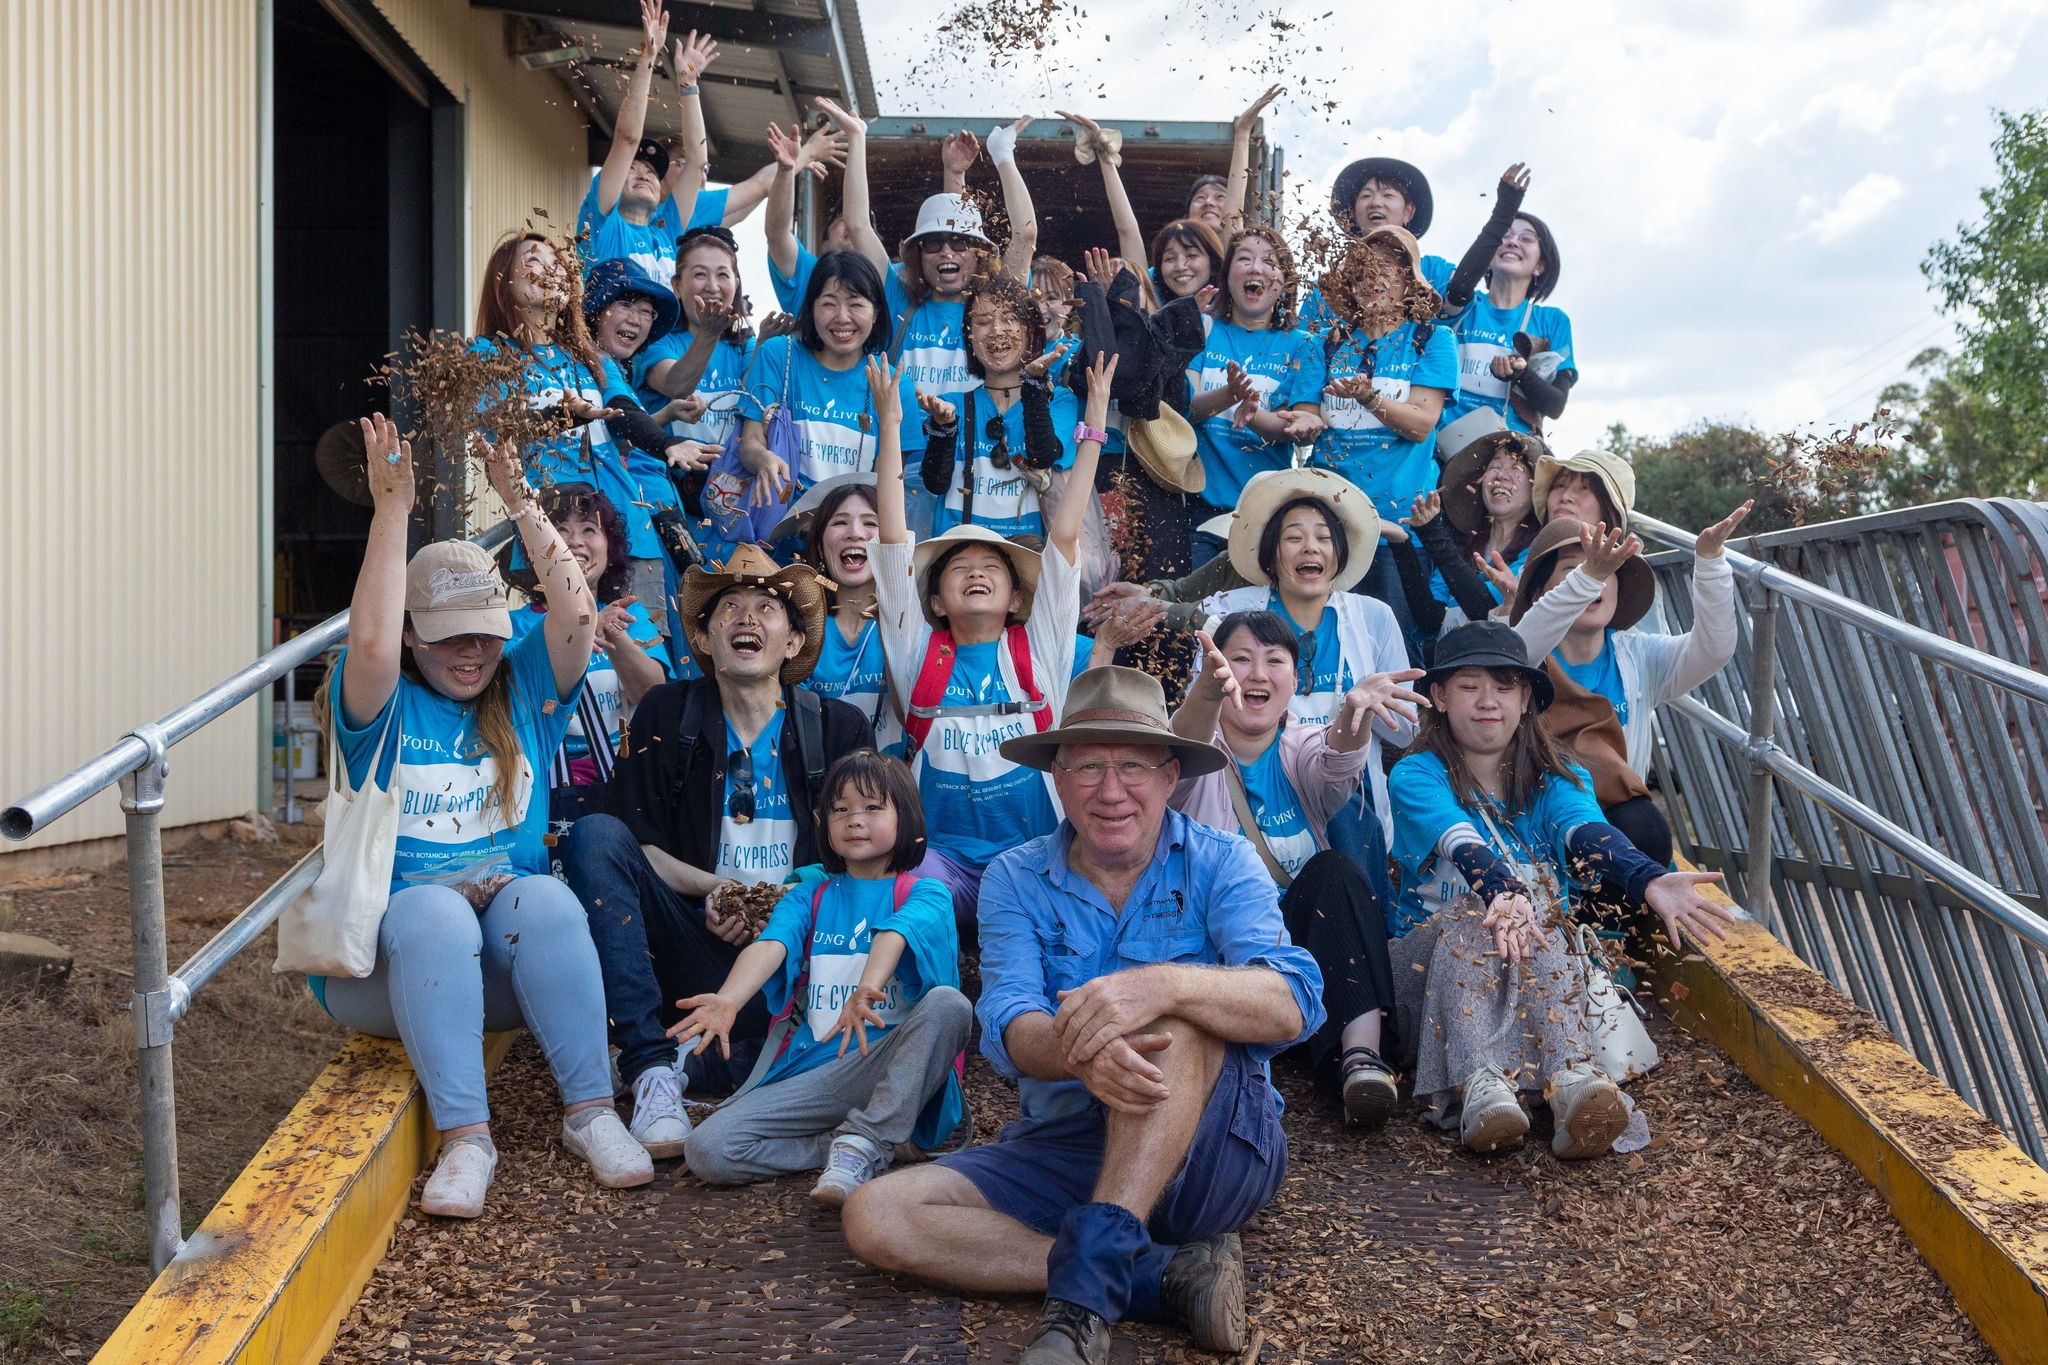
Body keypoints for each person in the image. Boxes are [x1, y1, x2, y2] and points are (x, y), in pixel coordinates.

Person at [841, 666, 1325, 1362]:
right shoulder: (1015, 875)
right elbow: (1011, 1025)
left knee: (1176, 1019)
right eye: (1088, 765)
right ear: (1057, 778)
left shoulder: (1223, 860)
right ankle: (1157, 1277)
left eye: (1132, 764)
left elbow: (1295, 1001)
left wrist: (1160, 986)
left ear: (1168, 774)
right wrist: (1078, 1051)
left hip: (1216, 1151)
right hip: (1072, 1138)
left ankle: (1081, 1307)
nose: (1110, 790)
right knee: (875, 1215)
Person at [312, 416, 651, 1218]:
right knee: (433, 910)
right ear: (410, 637)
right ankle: (467, 1139)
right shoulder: (382, 705)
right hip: (387, 973)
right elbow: (365, 640)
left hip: (500, 969)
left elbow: (573, 613)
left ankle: (592, 1113)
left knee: (548, 897)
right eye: (446, 637)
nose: (470, 652)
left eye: (486, 635)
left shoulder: (521, 692)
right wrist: (391, 510)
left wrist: (520, 499)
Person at [560, 544, 875, 1160]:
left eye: (765, 607)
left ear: (792, 643)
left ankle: (708, 1061)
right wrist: (716, 890)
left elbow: (867, 860)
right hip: (693, 940)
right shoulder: (667, 712)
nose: (745, 618)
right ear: (704, 641)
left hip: (801, 953)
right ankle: (653, 1069)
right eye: (728, 607)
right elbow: (637, 845)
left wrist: (782, 911)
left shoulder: (839, 728)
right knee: (594, 835)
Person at [1387, 621, 1734, 1155]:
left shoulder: (1558, 774)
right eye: (1469, 686)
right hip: (1430, 979)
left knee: (1542, 917)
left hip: (1535, 970)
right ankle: (1486, 1085)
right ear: (1438, 696)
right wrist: (1503, 891)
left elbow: (1586, 830)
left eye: (1504, 687)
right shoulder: (1415, 773)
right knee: (1474, 916)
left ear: (1526, 700)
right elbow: (1461, 843)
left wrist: (1648, 878)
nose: (1488, 702)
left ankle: (1570, 1086)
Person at [867, 349, 1115, 923]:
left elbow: (1066, 533)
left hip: (1039, 863)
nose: (976, 572)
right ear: (933, 600)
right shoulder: (916, 650)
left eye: (992, 567)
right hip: (943, 864)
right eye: (958, 567)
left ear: (1017, 599)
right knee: (911, 895)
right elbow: (893, 537)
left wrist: (1095, 423)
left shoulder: (1040, 648)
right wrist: (890, 425)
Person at [672, 750, 969, 1203]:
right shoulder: (809, 893)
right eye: (840, 809)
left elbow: (895, 932)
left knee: (950, 1005)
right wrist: (729, 999)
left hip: (892, 1059)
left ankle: (867, 1139)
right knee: (708, 1150)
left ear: (906, 816)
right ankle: (851, 1145)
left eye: (872, 807)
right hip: (817, 1070)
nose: (854, 820)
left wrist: (864, 990)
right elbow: (772, 945)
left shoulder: (925, 891)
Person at [1169, 612, 1422, 1127]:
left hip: (1302, 943)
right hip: (1215, 944)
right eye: (1239, 659)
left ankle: (1361, 1061)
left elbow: (1336, 762)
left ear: (1297, 681)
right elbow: (1183, 749)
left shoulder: (1299, 745)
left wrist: (1355, 716)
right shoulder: (1189, 758)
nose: (1256, 672)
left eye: (1274, 660)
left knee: (1337, 871)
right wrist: (1205, 694)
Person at [1507, 506, 1750, 940]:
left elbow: (1713, 650)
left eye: (1605, 568)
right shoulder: (1522, 659)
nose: (1593, 577)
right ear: (1543, 590)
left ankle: (1609, 953)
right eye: (1573, 569)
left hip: (1618, 818)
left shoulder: (1638, 656)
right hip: (1537, 822)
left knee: (1645, 829)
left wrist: (1710, 562)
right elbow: (1520, 644)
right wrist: (1587, 577)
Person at [1309, 226, 1461, 644]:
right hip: (1330, 526)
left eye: (1387, 267)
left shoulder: (1433, 339)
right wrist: (1297, 420)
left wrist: (1369, 397)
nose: (1370, 276)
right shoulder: (1329, 343)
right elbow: (1306, 410)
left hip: (1399, 527)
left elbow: (1421, 423)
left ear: (1408, 280)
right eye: (1360, 270)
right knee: (1325, 645)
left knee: (1392, 649)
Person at [503, 483, 670, 827]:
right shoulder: (510, 628)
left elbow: (654, 699)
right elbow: (509, 708)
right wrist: (579, 628)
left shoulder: (630, 618)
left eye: (589, 529)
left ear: (610, 547)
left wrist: (611, 633)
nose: (574, 541)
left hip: (622, 792)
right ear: (535, 550)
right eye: (559, 530)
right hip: (539, 798)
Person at [736, 250, 917, 508]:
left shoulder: (895, 386)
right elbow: (749, 443)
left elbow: (887, 485)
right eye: (829, 303)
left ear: (876, 312)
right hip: (775, 535)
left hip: (851, 538)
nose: (842, 317)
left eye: (856, 304)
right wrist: (764, 459)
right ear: (811, 307)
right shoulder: (778, 355)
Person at [919, 274, 1079, 540]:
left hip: (1027, 560)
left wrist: (1035, 387)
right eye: (982, 322)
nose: (996, 330)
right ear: (969, 337)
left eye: (1010, 318)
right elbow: (935, 483)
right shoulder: (951, 404)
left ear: (1031, 330)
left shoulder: (1058, 400)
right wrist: (943, 429)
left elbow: (1043, 456)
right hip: (958, 557)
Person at [1187, 227, 1327, 527]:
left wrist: (1254, 413)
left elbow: (1298, 424)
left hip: (1266, 512)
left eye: (1270, 261)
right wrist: (1229, 394)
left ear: (1285, 280)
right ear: (1226, 275)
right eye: (1245, 258)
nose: (1256, 268)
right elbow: (1185, 407)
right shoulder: (1202, 328)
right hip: (1197, 507)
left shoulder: (1305, 345)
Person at [576, 3, 715, 287]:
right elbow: (627, 140)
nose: (645, 174)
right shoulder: (601, 223)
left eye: (652, 172)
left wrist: (688, 84)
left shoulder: (667, 229)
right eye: (634, 168)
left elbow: (697, 162)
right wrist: (649, 56)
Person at [774, 473, 904, 752]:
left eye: (870, 523)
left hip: (896, 788)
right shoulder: (799, 631)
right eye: (839, 522)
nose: (854, 532)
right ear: (819, 546)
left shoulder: (910, 622)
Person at [1394, 410, 1546, 636]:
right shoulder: (1466, 548)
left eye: (1516, 468)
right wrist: (1401, 542)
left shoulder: (1537, 552)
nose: (1502, 475)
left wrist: (1434, 536)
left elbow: (1485, 611)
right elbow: (1431, 618)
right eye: (1494, 467)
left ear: (1535, 486)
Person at [1440, 209, 1576, 434]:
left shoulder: (1553, 321)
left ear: (1540, 266)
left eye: (1526, 239)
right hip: (1444, 450)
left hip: (1509, 460)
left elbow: (1555, 406)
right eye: (1505, 235)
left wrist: (1521, 375)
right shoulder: (1460, 304)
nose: (1513, 242)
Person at [1536, 445, 1635, 529]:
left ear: (1608, 509)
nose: (1565, 497)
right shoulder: (1527, 551)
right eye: (1560, 485)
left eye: (1584, 488)